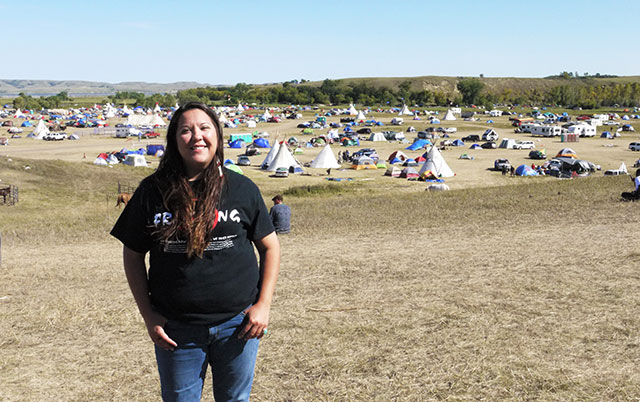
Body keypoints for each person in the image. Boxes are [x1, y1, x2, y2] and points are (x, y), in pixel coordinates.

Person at [110, 102, 280, 401]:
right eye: (185, 130)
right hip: (176, 329)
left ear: (217, 135)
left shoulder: (241, 188)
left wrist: (263, 304)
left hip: (238, 324)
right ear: (174, 141)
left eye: (204, 128)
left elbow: (270, 247)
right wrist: (148, 315)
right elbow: (133, 253)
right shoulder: (153, 191)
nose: (196, 136)